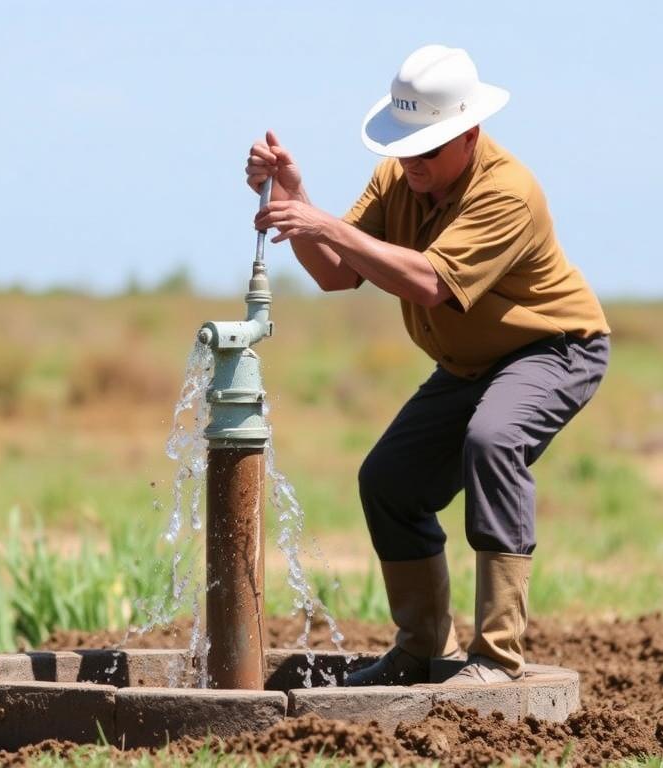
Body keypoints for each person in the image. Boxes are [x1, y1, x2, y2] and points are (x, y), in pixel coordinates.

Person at [246, 45, 610, 685]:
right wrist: (298, 200)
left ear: (468, 135)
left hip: (555, 347)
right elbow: (336, 274)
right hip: (471, 362)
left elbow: (427, 283)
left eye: (429, 149)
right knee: (389, 480)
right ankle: (420, 653)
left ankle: (496, 658)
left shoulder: (508, 193)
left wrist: (323, 223)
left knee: (493, 440)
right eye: (405, 147)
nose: (411, 162)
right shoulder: (399, 177)